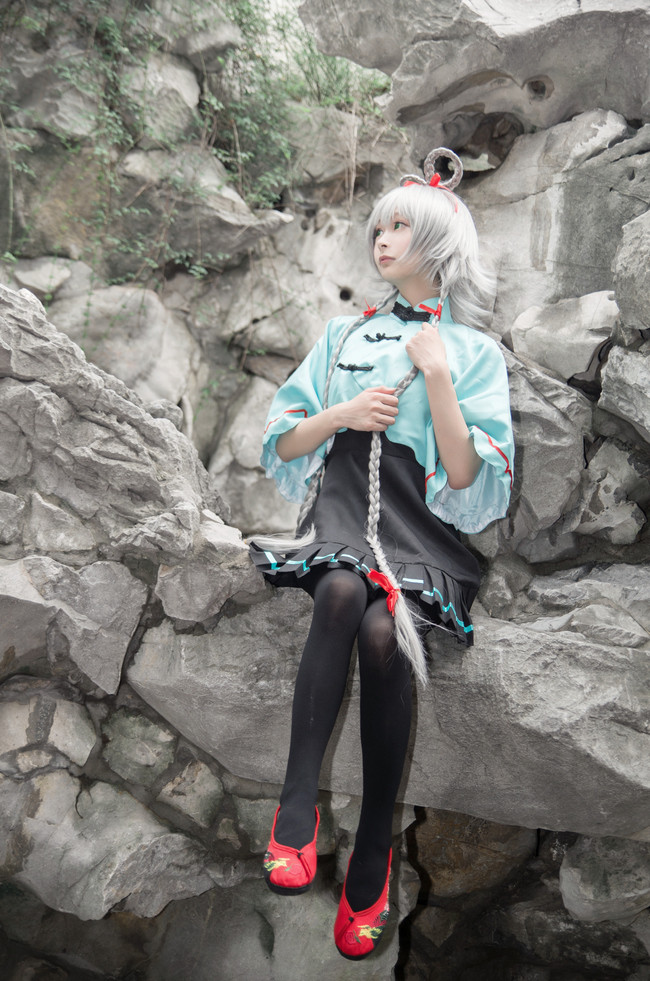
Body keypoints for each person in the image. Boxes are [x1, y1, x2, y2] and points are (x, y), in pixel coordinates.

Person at [249, 148, 514, 960]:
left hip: (420, 529)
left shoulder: (474, 354)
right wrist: (342, 414)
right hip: (340, 505)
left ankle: (373, 852)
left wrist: (436, 378)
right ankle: (296, 808)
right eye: (380, 228)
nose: (384, 240)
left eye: (401, 227)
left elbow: (468, 481)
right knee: (338, 592)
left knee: (380, 630)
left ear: (439, 244)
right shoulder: (342, 336)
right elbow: (280, 441)